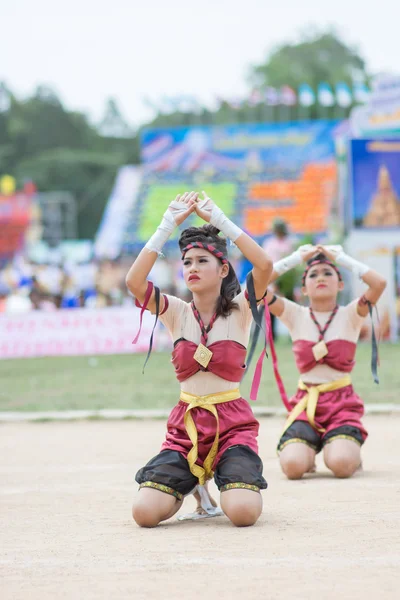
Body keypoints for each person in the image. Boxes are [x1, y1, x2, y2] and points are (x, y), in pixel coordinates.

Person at [126, 191, 273, 527]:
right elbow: (134, 282)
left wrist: (219, 221)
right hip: (186, 426)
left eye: (201, 261)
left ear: (223, 269)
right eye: (187, 262)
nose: (192, 268)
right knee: (144, 514)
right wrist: (167, 224)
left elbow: (264, 265)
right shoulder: (175, 311)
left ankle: (223, 478)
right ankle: (193, 484)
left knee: (243, 513)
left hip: (231, 425)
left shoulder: (241, 310)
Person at [263, 244, 386, 480]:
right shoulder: (293, 313)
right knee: (292, 467)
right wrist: (295, 258)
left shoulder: (352, 313)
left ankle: (346, 451)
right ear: (304, 289)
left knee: (340, 464)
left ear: (340, 285)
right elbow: (255, 285)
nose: (321, 278)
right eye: (313, 274)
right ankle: (309, 449)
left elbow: (378, 284)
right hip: (306, 402)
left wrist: (340, 257)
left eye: (328, 273)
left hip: (341, 404)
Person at [262, 218, 295, 340]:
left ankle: (294, 334)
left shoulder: (290, 243)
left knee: (291, 307)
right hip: (273, 279)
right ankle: (271, 336)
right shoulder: (269, 244)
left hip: (287, 280)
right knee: (271, 307)